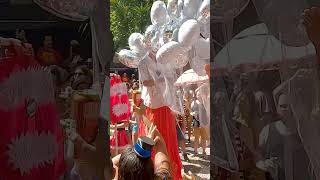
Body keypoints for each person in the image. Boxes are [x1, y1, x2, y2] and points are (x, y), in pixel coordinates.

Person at [137, 44, 182, 179]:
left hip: (167, 106)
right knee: (154, 138)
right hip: (154, 107)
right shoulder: (143, 61)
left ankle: (168, 173)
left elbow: (173, 78)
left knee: (169, 140)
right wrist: (161, 81)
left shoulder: (165, 58)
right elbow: (145, 82)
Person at [256, 91, 315, 180]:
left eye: (290, 106)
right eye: (282, 106)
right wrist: (263, 164)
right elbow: (257, 156)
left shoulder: (305, 131)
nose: (286, 110)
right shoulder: (267, 130)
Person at [191, 90, 209, 157]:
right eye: (198, 94)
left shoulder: (206, 102)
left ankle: (204, 152)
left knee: (204, 138)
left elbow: (208, 113)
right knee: (196, 138)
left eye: (201, 94)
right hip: (196, 123)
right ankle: (195, 152)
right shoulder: (193, 102)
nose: (199, 96)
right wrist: (193, 114)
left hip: (204, 123)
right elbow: (191, 112)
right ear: (196, 95)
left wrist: (208, 123)